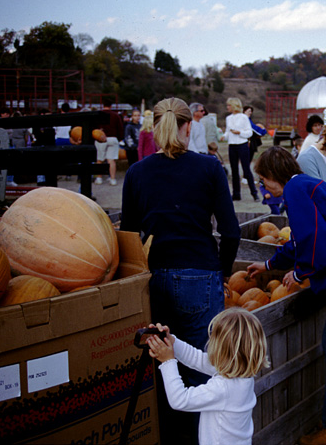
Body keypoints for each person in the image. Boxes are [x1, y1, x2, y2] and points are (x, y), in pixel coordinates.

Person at [120, 97, 240, 444]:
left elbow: (129, 238)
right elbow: (230, 231)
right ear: (189, 127)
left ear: (154, 128)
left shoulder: (138, 172)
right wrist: (222, 272)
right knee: (203, 370)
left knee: (164, 365)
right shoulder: (209, 168)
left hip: (156, 277)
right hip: (200, 275)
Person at [247, 147, 326, 445]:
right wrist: (270, 264)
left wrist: (301, 273)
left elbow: (314, 241)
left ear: (273, 175)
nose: (264, 186)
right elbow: (301, 240)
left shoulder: (297, 189)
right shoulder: (306, 185)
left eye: (263, 179)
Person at [146, 308, 269, 445]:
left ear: (222, 350)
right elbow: (196, 358)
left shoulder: (224, 387)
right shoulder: (243, 374)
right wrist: (172, 341)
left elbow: (180, 399)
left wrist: (167, 361)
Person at [224, 97, 259, 202]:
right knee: (234, 171)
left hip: (242, 145)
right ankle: (236, 194)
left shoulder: (243, 117)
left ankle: (254, 193)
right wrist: (223, 136)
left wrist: (239, 133)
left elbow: (249, 132)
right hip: (232, 146)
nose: (227, 107)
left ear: (234, 106)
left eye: (229, 105)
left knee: (246, 170)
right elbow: (227, 132)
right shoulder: (228, 118)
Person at [94, 99, 124, 186]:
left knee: (100, 159)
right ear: (111, 106)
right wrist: (119, 138)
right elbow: (120, 128)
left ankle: (99, 178)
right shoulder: (116, 115)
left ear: (103, 105)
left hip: (100, 138)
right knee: (111, 160)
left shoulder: (98, 115)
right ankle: (112, 179)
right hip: (113, 138)